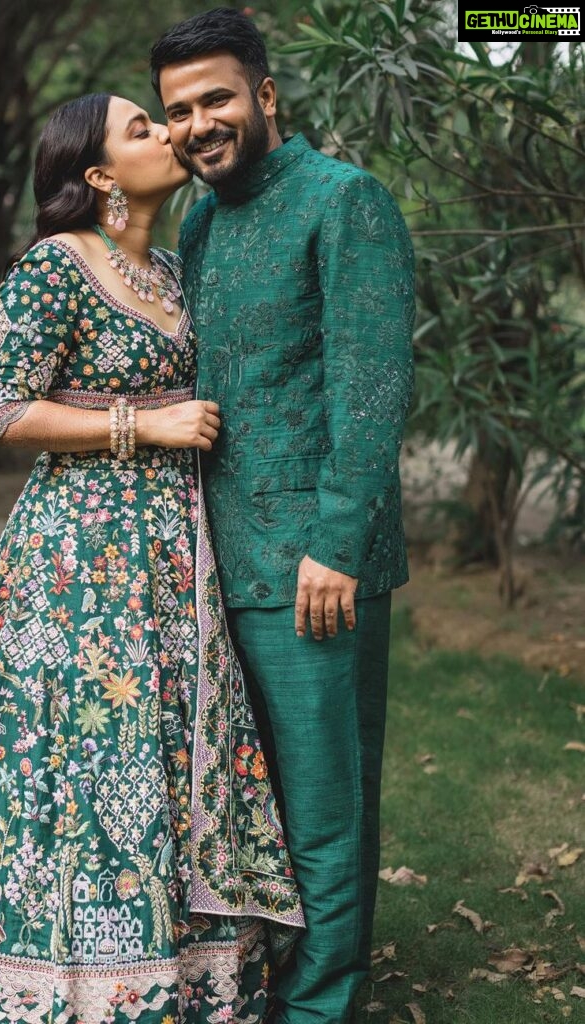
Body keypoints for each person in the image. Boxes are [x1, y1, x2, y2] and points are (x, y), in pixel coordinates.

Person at [0, 91, 304, 1024]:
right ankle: (52, 986)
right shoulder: (52, 269)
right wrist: (143, 425)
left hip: (173, 557)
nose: (168, 133)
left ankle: (178, 984)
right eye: (142, 128)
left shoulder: (175, 268)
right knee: (82, 757)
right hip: (77, 562)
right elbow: (2, 412)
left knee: (164, 750)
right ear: (100, 175)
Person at [150, 9, 416, 1024]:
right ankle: (262, 983)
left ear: (265, 95)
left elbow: (372, 384)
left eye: (215, 97)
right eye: (178, 110)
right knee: (246, 807)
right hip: (219, 561)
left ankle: (322, 1006)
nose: (197, 123)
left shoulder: (345, 200)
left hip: (315, 567)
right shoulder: (203, 219)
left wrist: (337, 544)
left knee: (324, 809)